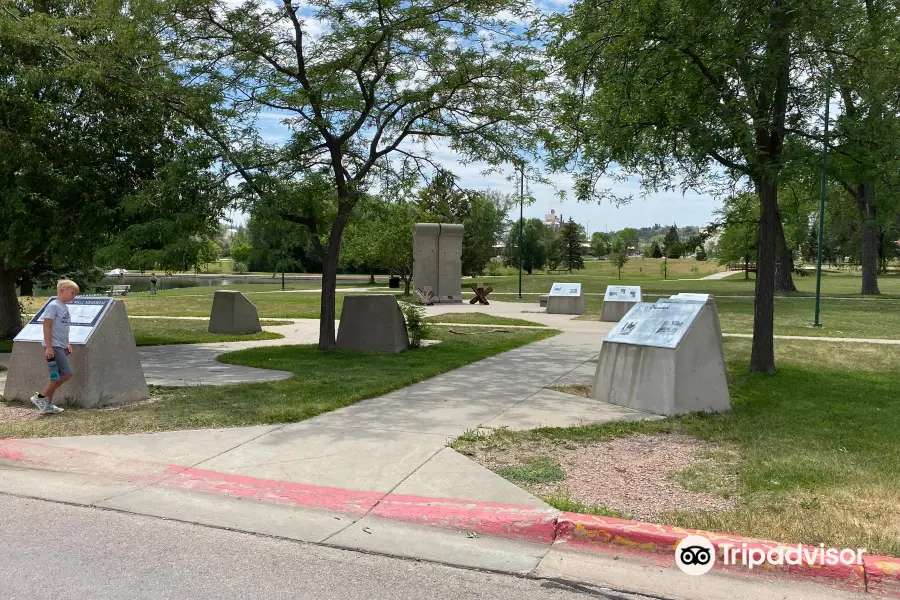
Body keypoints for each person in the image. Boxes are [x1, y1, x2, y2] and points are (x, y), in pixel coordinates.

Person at [30, 279, 79, 414]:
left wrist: (67, 343)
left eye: (75, 294)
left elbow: (63, 328)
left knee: (55, 377)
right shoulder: (53, 306)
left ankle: (47, 406)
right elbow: (47, 327)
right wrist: (49, 347)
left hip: (61, 345)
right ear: (62, 291)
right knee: (67, 374)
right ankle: (40, 397)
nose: (74, 296)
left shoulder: (64, 307)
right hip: (54, 346)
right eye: (72, 293)